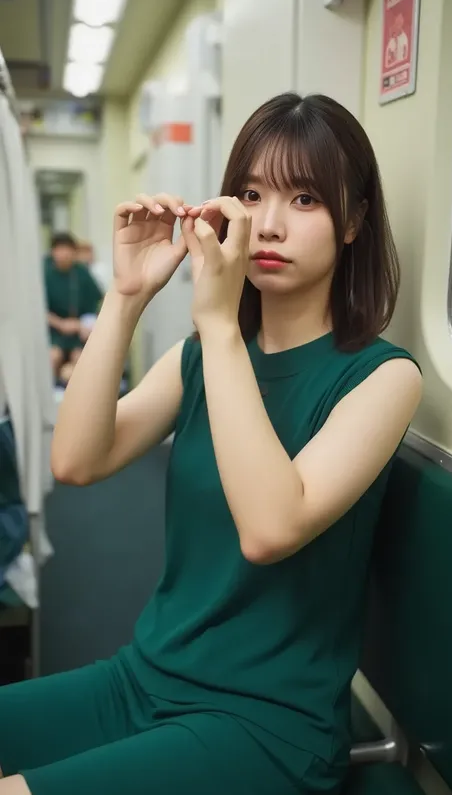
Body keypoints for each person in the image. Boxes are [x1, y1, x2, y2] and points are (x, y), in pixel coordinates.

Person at [0, 93, 422, 795]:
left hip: (266, 723)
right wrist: (127, 295)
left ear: (353, 222)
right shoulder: (202, 357)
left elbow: (269, 527)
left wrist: (222, 325)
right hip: (144, 677)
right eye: (252, 193)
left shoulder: (382, 377)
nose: (269, 224)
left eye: (307, 198)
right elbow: (74, 460)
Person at [44, 233, 103, 383]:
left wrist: (84, 325)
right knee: (53, 356)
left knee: (79, 360)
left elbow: (97, 303)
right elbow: (38, 309)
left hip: (79, 332)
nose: (63, 254)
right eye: (59, 249)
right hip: (53, 332)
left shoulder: (81, 274)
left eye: (67, 249)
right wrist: (61, 324)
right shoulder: (45, 274)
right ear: (53, 252)